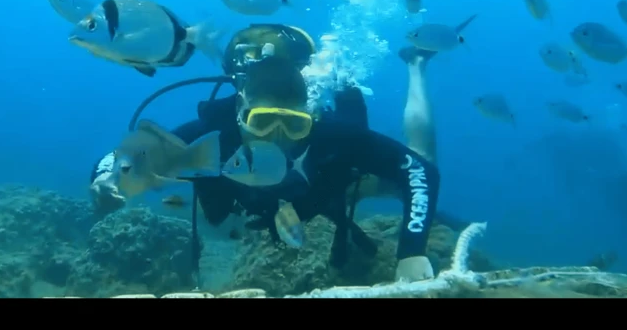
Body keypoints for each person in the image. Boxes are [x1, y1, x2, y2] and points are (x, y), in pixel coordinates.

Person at [89, 24, 442, 283]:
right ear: (241, 109)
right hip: (245, 193)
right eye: (262, 121)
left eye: (295, 125)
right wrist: (108, 176)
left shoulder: (333, 133)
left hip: (329, 182)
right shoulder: (213, 133)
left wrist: (412, 250)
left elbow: (419, 172)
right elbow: (122, 157)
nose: (278, 137)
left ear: (311, 116)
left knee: (418, 156)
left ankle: (415, 66)